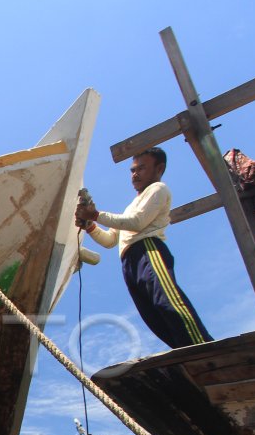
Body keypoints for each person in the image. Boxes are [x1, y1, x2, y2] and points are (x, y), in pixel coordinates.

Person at [75, 147, 213, 349]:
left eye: (141, 168)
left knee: (167, 301)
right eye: (132, 170)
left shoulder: (158, 189)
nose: (135, 174)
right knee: (152, 315)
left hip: (147, 250)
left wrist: (94, 214)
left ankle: (203, 347)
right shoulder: (132, 204)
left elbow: (137, 222)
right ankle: (185, 351)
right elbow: (110, 240)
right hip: (129, 261)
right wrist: (90, 226)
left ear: (159, 169)